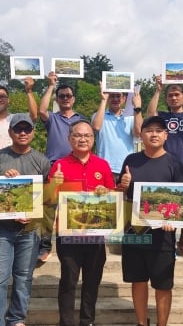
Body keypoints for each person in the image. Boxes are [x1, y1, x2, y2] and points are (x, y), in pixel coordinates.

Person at [0, 113, 51, 326]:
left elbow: (47, 199)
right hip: (1, 230)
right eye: (18, 129)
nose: (22, 133)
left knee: (23, 278)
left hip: (30, 230)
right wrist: (2, 181)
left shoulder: (42, 161)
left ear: (32, 132)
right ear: (10, 132)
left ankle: (16, 319)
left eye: (26, 129)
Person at [117, 116, 183, 326]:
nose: (154, 134)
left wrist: (174, 221)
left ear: (166, 135)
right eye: (149, 130)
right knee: (138, 280)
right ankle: (141, 322)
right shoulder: (131, 160)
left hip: (163, 235)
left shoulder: (174, 163)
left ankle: (161, 323)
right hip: (135, 232)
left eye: (159, 130)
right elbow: (121, 192)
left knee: (163, 284)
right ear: (141, 134)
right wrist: (123, 184)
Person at [47, 120, 115, 326]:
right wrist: (53, 185)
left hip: (95, 234)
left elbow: (112, 194)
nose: (82, 139)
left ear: (93, 139)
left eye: (87, 135)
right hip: (68, 235)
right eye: (77, 135)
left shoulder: (102, 165)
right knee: (68, 281)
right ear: (69, 139)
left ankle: (87, 320)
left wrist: (107, 192)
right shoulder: (59, 165)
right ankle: (66, 322)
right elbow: (48, 200)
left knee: (92, 281)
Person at [146, 75, 183, 259]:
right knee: (168, 203)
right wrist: (157, 89)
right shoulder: (163, 116)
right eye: (170, 95)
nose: (173, 98)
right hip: (165, 164)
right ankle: (169, 244)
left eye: (177, 94)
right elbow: (150, 113)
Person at [38, 71, 87, 262]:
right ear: (57, 99)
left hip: (75, 166)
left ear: (73, 99)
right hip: (54, 167)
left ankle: (71, 241)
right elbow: (41, 111)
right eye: (62, 96)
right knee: (49, 207)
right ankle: (44, 245)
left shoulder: (81, 120)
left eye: (68, 95)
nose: (65, 99)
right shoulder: (53, 118)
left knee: (73, 206)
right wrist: (51, 85)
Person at [91, 86, 142, 183]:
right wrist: (103, 100)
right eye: (112, 96)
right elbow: (96, 127)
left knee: (125, 198)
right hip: (104, 167)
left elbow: (138, 133)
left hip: (126, 168)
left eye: (118, 96)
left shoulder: (131, 117)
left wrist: (137, 108)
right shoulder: (99, 115)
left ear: (124, 99)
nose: (115, 99)